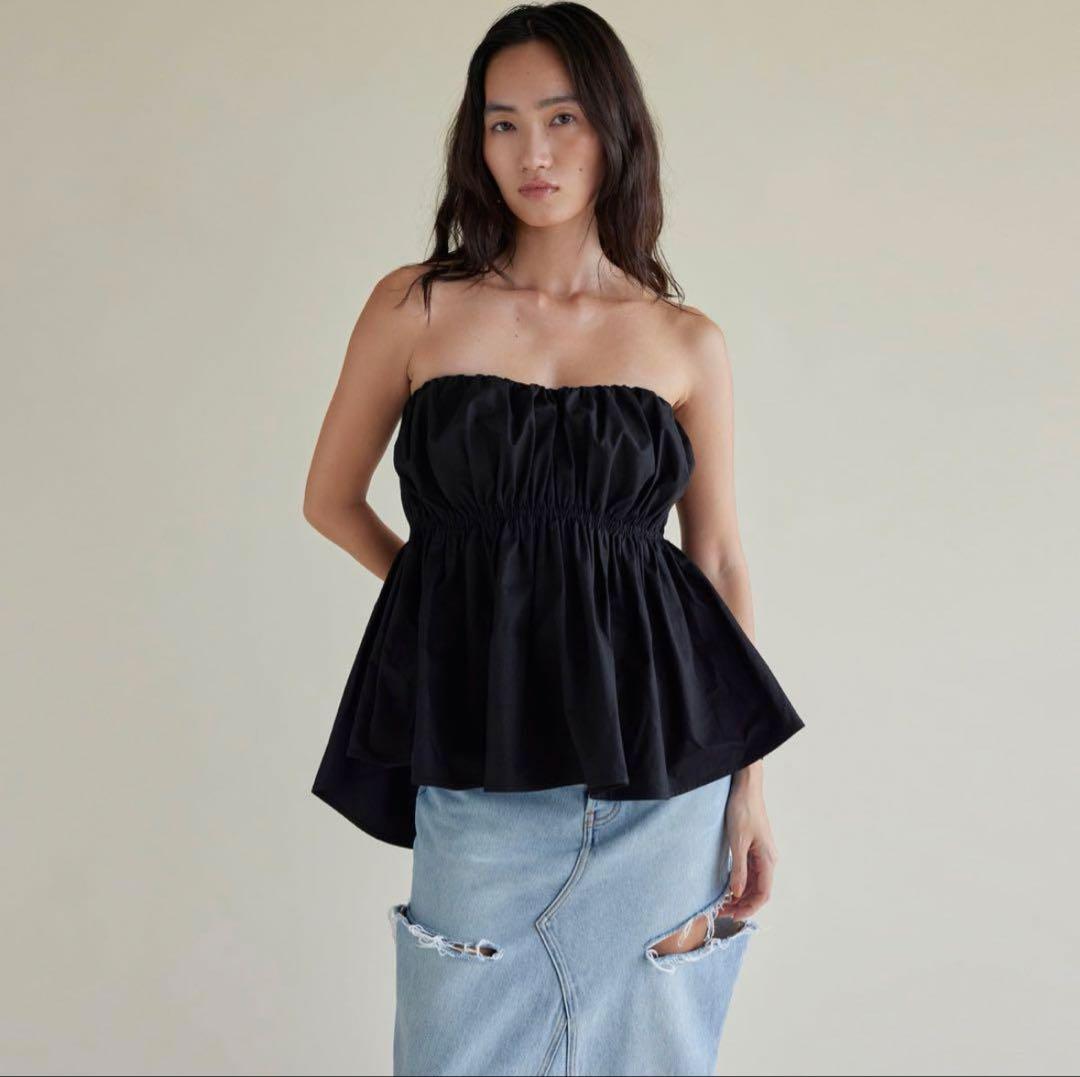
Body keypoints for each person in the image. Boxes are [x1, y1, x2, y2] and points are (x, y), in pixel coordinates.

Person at [303, 3, 806, 1074]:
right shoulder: (416, 307)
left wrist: (750, 790)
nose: (532, 153)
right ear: (476, 142)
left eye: (562, 118)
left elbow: (717, 557)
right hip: (481, 753)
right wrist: (449, 615)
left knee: (650, 1050)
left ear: (613, 127)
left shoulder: (684, 341)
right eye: (503, 124)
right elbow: (331, 499)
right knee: (458, 1046)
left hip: (664, 769)